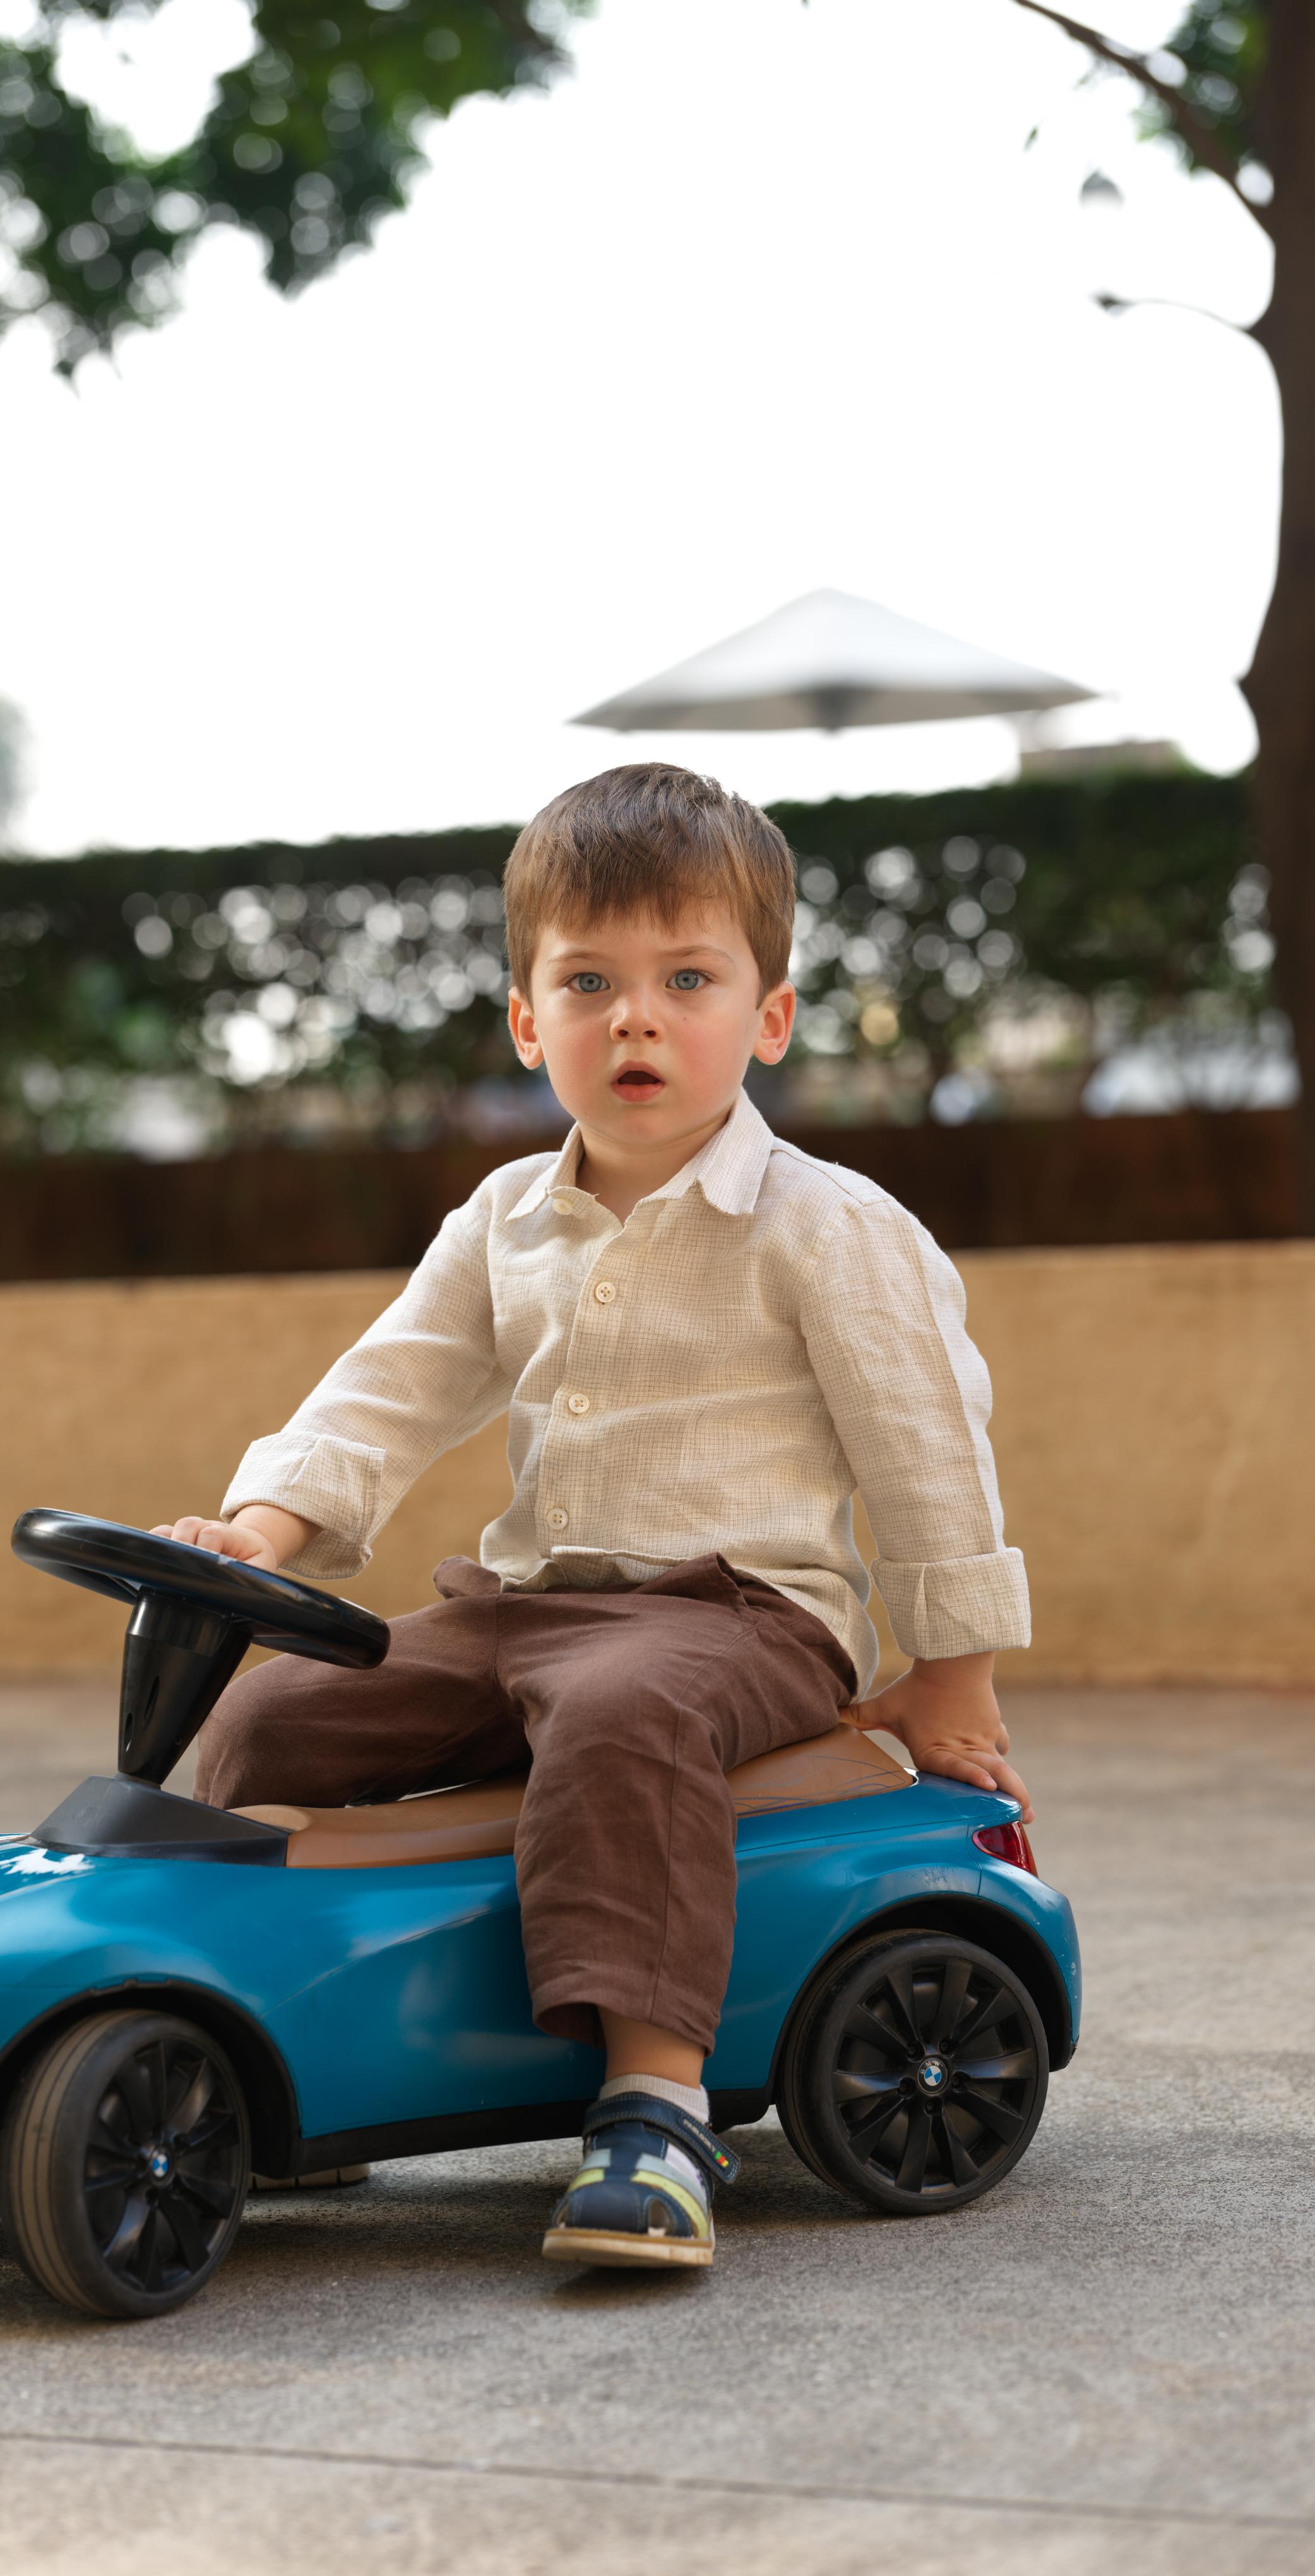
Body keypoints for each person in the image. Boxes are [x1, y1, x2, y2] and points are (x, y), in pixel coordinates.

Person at [158, 763, 1032, 2270]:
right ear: (527, 1020)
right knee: (264, 1727)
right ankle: (253, 2063)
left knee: (622, 1715)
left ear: (767, 1019)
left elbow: (926, 1446)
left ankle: (654, 2111)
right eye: (592, 982)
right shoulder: (505, 1218)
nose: (638, 1016)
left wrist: (954, 1666)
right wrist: (266, 1532)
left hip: (740, 1615)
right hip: (520, 1612)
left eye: (687, 978)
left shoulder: (827, 1227)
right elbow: (390, 1388)